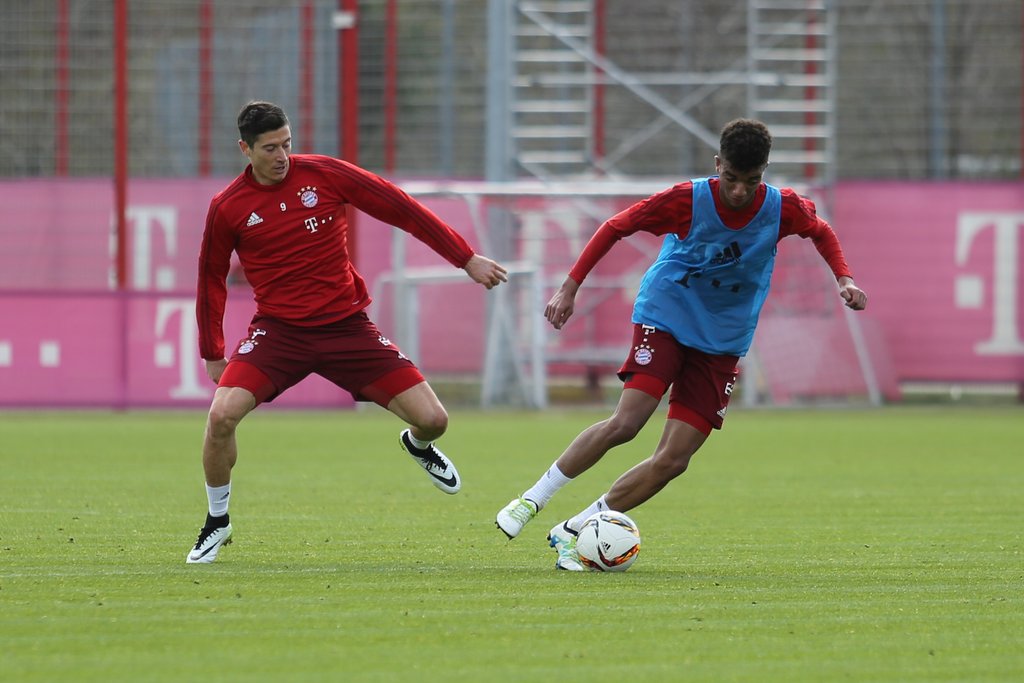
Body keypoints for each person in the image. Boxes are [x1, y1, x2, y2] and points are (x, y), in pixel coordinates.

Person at [495, 118, 867, 570]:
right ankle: (531, 500)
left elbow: (820, 230)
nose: (737, 192)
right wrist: (569, 288)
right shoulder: (687, 199)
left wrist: (844, 278)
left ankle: (576, 528)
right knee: (628, 422)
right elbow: (616, 226)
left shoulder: (781, 208)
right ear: (717, 166)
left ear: (764, 173)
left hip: (723, 339)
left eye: (750, 181)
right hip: (666, 315)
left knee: (674, 460)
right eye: (730, 178)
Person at [187, 100, 508, 564]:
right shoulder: (228, 207)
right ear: (245, 149)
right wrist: (212, 350)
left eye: (287, 144)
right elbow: (210, 277)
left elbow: (401, 208)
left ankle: (417, 445)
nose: (282, 156)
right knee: (221, 417)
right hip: (279, 334)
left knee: (435, 421)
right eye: (270, 148)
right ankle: (217, 521)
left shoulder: (325, 174)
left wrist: (465, 258)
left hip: (347, 329)